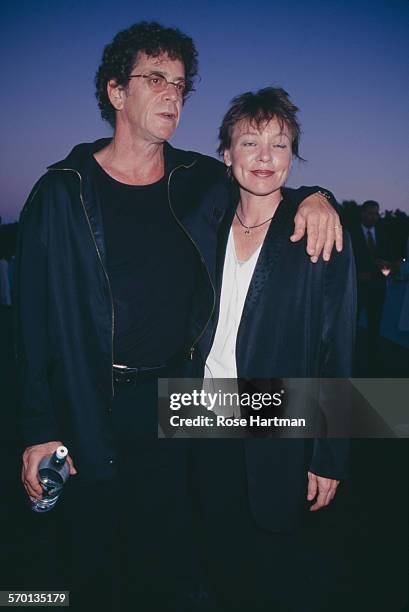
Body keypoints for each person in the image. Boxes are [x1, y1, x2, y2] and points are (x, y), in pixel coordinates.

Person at [16, 22, 344, 611]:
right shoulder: (62, 193)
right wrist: (39, 426)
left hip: (180, 398)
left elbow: (263, 173)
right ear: (117, 92)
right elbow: (32, 322)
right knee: (88, 558)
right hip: (88, 400)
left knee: (173, 553)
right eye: (157, 79)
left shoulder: (195, 182)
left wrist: (319, 194)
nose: (173, 94)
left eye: (182, 85)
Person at [197, 87, 356, 611]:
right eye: (249, 142)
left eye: (280, 144)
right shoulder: (206, 222)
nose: (265, 157)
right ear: (227, 154)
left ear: (294, 157)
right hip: (200, 416)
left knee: (274, 573)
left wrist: (329, 455)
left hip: (279, 424)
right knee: (211, 562)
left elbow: (338, 351)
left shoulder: (316, 231)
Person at [349, 200, 394, 372]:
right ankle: (350, 358)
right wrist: (357, 275)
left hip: (377, 289)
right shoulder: (351, 234)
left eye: (376, 213)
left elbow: (389, 259)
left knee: (375, 325)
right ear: (362, 214)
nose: (373, 217)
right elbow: (346, 260)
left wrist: (388, 265)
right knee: (352, 324)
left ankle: (373, 361)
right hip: (357, 289)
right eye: (370, 213)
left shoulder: (384, 234)